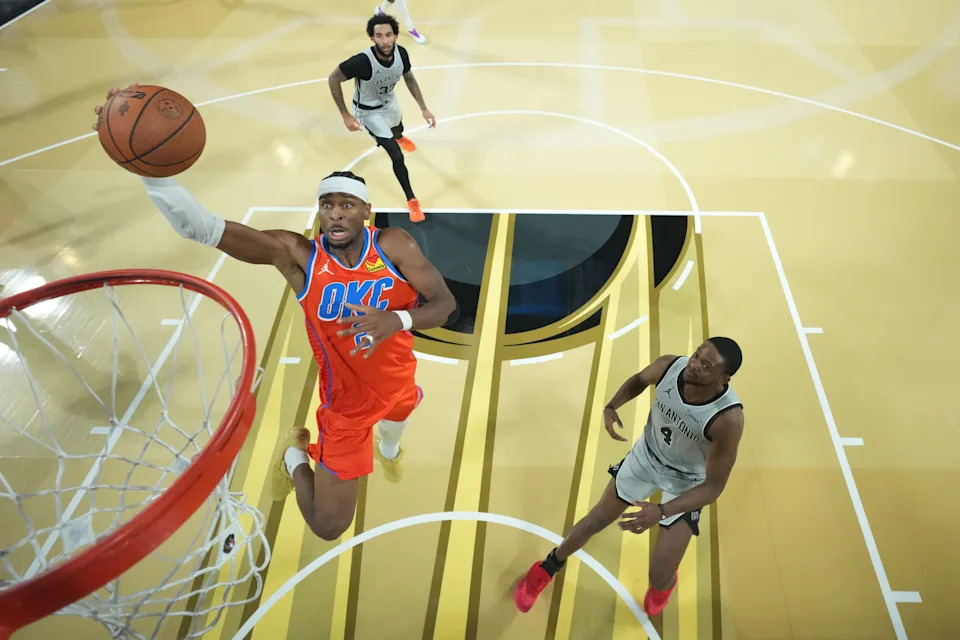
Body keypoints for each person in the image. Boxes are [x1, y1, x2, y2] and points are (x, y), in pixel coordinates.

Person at [93, 88, 456, 541]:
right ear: (319, 213)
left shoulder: (394, 244)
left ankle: (389, 449)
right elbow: (202, 228)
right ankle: (294, 457)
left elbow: (444, 306)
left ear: (367, 211)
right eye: (327, 205)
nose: (336, 213)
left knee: (403, 408)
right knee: (328, 525)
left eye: (347, 204)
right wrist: (150, 174)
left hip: (399, 376)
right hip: (346, 410)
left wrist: (395, 321)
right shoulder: (298, 255)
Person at [513, 339, 745, 616]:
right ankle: (548, 567)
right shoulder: (670, 366)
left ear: (723, 379)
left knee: (659, 575)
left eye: (705, 365)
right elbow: (638, 380)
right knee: (595, 520)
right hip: (647, 456)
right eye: (696, 355)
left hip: (686, 481)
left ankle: (663, 587)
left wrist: (661, 511)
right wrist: (612, 406)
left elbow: (714, 487)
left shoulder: (728, 420)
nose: (694, 364)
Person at [329, 14, 436, 223]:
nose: (385, 41)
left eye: (388, 35)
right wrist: (345, 115)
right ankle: (412, 199)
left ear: (395, 36)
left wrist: (424, 108)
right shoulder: (361, 62)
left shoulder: (401, 54)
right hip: (368, 112)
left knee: (398, 127)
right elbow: (333, 78)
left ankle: (398, 136)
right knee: (396, 156)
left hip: (389, 103)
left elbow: (409, 78)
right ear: (372, 38)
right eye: (379, 36)